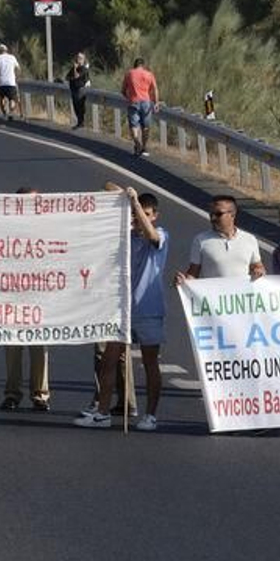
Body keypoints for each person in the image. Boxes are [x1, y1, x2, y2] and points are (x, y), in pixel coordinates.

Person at [78, 188, 166, 431]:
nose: (139, 219)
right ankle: (103, 413)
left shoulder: (161, 235)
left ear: (154, 215)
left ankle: (150, 415)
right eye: (136, 215)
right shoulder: (124, 237)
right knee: (108, 360)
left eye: (146, 214)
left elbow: (152, 236)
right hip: (120, 310)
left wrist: (135, 203)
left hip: (148, 310)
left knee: (150, 363)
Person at [0, 188, 50, 412]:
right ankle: (12, 393)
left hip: (39, 297)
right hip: (12, 298)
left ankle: (40, 395)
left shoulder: (49, 230)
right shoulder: (6, 230)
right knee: (12, 348)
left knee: (40, 348)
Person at [176, 194, 265, 283]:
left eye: (218, 214)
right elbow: (193, 272)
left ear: (232, 214)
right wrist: (184, 282)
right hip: (213, 292)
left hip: (241, 291)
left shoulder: (249, 239)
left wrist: (259, 271)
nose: (213, 218)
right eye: (211, 214)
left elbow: (257, 266)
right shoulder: (200, 240)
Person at [121, 57, 159, 157]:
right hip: (146, 102)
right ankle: (144, 147)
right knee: (146, 126)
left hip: (133, 101)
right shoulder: (149, 74)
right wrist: (156, 103)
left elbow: (123, 90)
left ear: (135, 65)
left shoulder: (129, 74)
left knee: (134, 125)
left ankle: (137, 143)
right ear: (143, 65)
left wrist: (128, 97)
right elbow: (155, 88)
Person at [0, 43, 21, 121]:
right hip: (11, 82)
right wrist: (17, 77)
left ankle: (4, 113)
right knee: (12, 98)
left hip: (0, 82)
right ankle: (11, 112)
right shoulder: (12, 57)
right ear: (6, 50)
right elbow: (18, 68)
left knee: (2, 98)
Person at [65, 52, 92, 130]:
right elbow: (67, 77)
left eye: (80, 58)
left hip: (80, 90)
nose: (78, 60)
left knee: (80, 107)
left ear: (83, 60)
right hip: (73, 90)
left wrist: (74, 69)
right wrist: (72, 75)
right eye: (77, 58)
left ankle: (81, 123)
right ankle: (79, 122)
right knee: (76, 107)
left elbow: (77, 76)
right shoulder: (74, 68)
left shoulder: (84, 69)